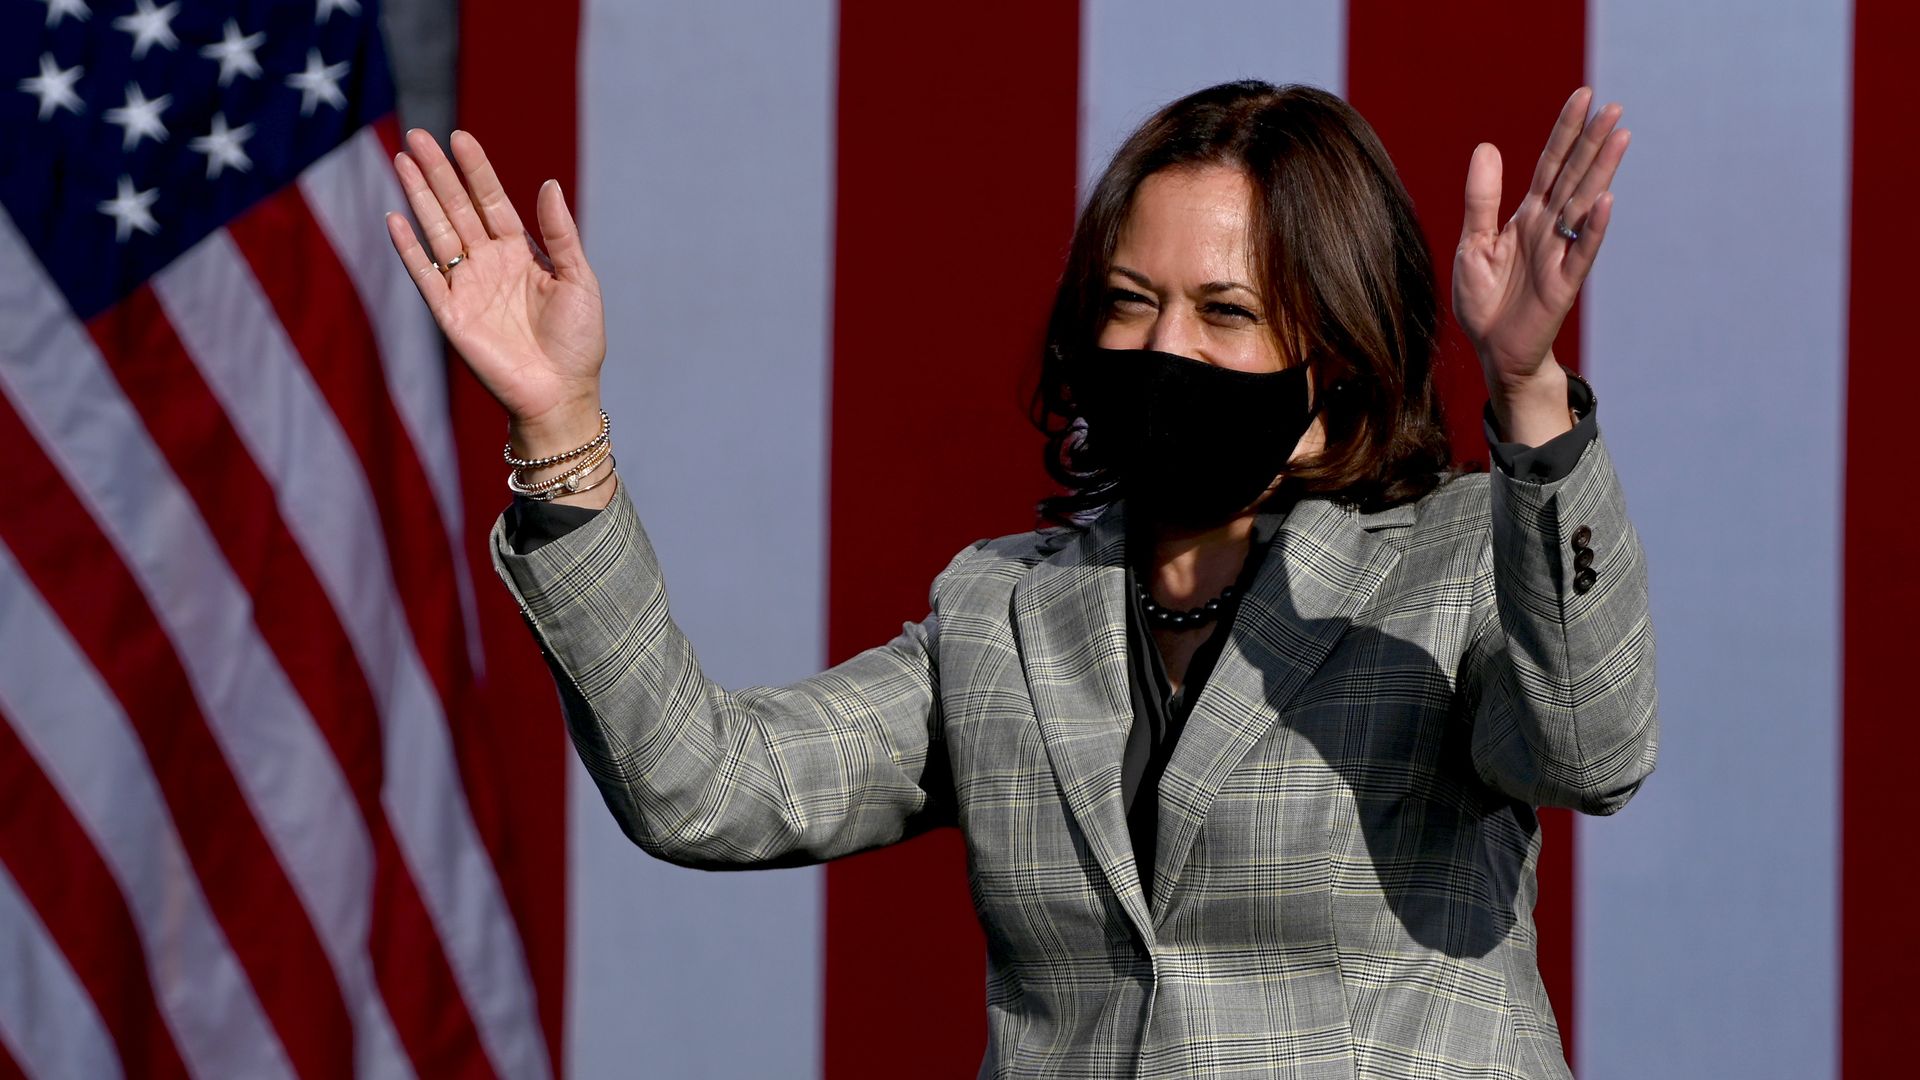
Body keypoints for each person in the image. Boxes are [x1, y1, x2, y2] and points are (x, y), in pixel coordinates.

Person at [386, 80, 1655, 1079]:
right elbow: (700, 787)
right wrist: (560, 426)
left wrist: (1531, 397)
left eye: (1225, 312)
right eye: (1128, 300)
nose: (1165, 347)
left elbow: (1593, 751)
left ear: (1330, 387)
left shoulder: (1459, 561)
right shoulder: (1000, 612)